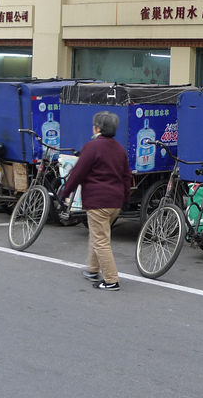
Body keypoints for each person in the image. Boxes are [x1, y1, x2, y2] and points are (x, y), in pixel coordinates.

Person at [59, 111, 133, 291]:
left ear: (98, 128)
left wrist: (64, 192)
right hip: (114, 201)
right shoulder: (120, 149)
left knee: (101, 240)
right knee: (97, 233)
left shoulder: (92, 147)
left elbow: (78, 173)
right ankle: (93, 269)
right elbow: (126, 177)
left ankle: (111, 280)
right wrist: (125, 198)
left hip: (98, 200)